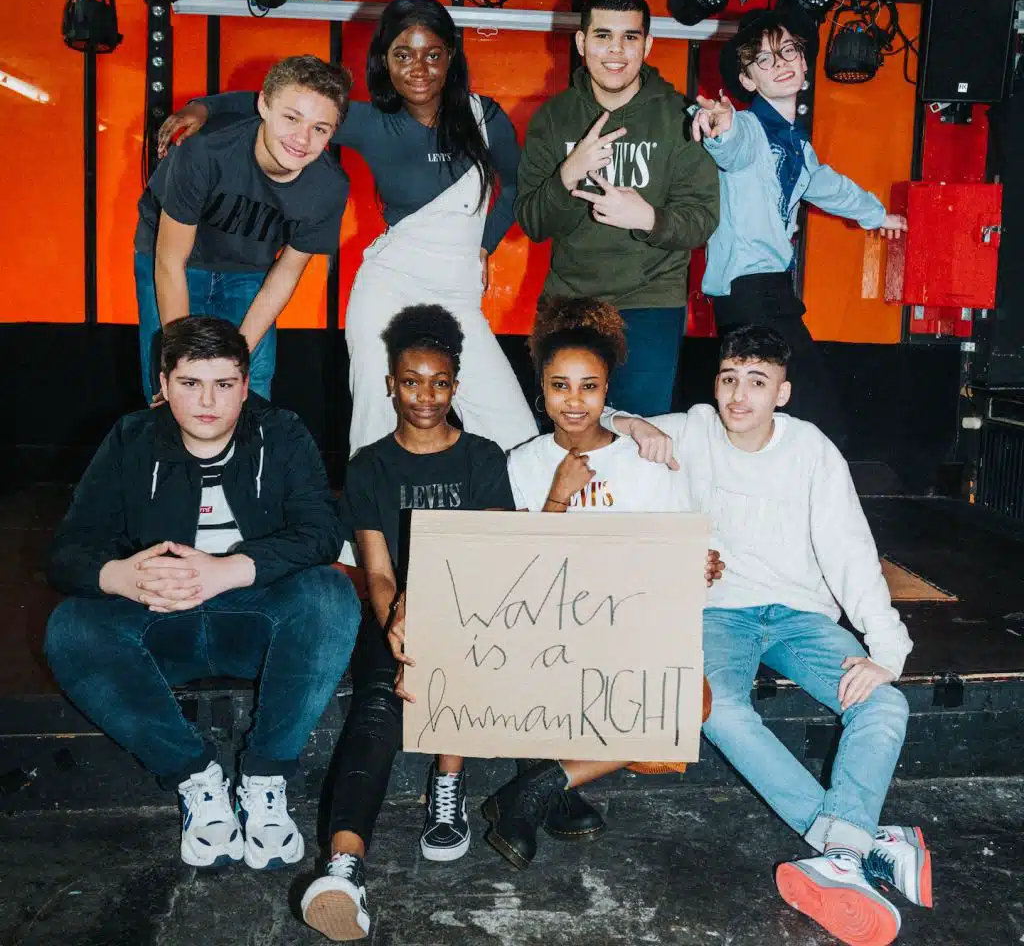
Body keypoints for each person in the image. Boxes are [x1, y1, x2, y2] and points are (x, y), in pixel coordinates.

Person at [603, 324, 932, 946]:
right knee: (717, 709)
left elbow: (850, 551)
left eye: (757, 382)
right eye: (729, 379)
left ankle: (843, 850)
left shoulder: (810, 451)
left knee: (885, 703)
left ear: (782, 393)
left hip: (801, 615)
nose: (739, 396)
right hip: (718, 612)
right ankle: (857, 845)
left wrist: (887, 651)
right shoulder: (695, 428)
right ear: (715, 384)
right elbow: (602, 417)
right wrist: (633, 423)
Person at [299, 304, 601, 942]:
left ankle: (449, 786)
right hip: (395, 614)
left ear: (455, 386)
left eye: (439, 383)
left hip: (475, 612)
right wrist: (398, 623)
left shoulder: (482, 459)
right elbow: (378, 572)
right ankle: (344, 869)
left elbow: (493, 559)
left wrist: (437, 615)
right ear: (391, 384)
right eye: (411, 382)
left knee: (470, 665)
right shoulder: (370, 465)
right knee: (376, 707)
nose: (425, 396)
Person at [43, 316, 360, 871]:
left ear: (245, 385)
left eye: (224, 384)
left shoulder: (281, 432)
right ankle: (198, 779)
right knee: (71, 628)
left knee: (329, 595)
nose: (208, 401)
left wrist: (228, 570)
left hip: (254, 622)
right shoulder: (131, 438)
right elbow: (70, 549)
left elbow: (321, 533)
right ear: (164, 385)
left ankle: (264, 780)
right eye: (191, 383)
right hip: (161, 620)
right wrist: (123, 577)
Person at [157, 0, 537, 456]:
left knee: (515, 432)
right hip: (389, 289)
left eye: (432, 54)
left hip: (459, 298)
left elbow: (516, 187)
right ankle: (370, 507)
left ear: (451, 57)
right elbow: (278, 105)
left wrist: (485, 243)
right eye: (403, 55)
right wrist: (203, 108)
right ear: (384, 60)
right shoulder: (371, 122)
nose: (418, 68)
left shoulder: (485, 118)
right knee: (376, 429)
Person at [487, 297, 723, 873]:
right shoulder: (521, 463)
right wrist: (557, 496)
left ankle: (538, 785)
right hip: (548, 629)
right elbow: (516, 576)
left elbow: (678, 554)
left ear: (607, 391)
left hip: (627, 627)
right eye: (560, 386)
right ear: (541, 389)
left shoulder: (646, 461)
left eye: (588, 387)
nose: (574, 402)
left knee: (692, 702)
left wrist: (699, 565)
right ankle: (550, 786)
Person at [691, 6, 907, 447]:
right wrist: (721, 128)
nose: (781, 63)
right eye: (764, 59)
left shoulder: (796, 146)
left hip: (772, 291)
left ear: (805, 63)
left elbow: (828, 185)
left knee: (787, 418)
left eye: (788, 51)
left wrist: (876, 215)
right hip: (748, 292)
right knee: (811, 419)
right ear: (748, 80)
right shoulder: (748, 128)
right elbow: (732, 147)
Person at [515, 0, 720, 416]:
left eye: (629, 37)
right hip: (568, 300)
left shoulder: (679, 118)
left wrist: (648, 219)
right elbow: (534, 223)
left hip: (651, 300)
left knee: (639, 434)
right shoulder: (553, 118)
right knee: (567, 433)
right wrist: (568, 174)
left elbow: (702, 219)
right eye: (603, 35)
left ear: (647, 45)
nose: (616, 50)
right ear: (581, 42)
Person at [135, 55, 351, 403]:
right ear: (263, 104)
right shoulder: (203, 150)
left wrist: (237, 358)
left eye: (320, 129)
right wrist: (183, 361)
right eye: (291, 118)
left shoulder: (328, 187)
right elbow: (169, 262)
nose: (302, 138)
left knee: (250, 385)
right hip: (176, 259)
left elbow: (286, 272)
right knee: (173, 384)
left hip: (250, 269)